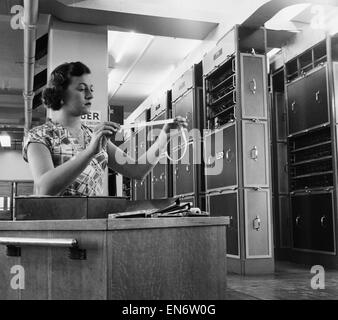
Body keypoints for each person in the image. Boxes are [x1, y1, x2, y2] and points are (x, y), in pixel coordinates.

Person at [23, 61, 187, 196]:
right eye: (81, 89)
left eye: (91, 89)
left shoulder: (91, 136)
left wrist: (164, 137)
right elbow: (44, 188)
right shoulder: (39, 136)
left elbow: (137, 170)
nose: (90, 95)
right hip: (58, 228)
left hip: (92, 224)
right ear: (60, 93)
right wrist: (89, 152)